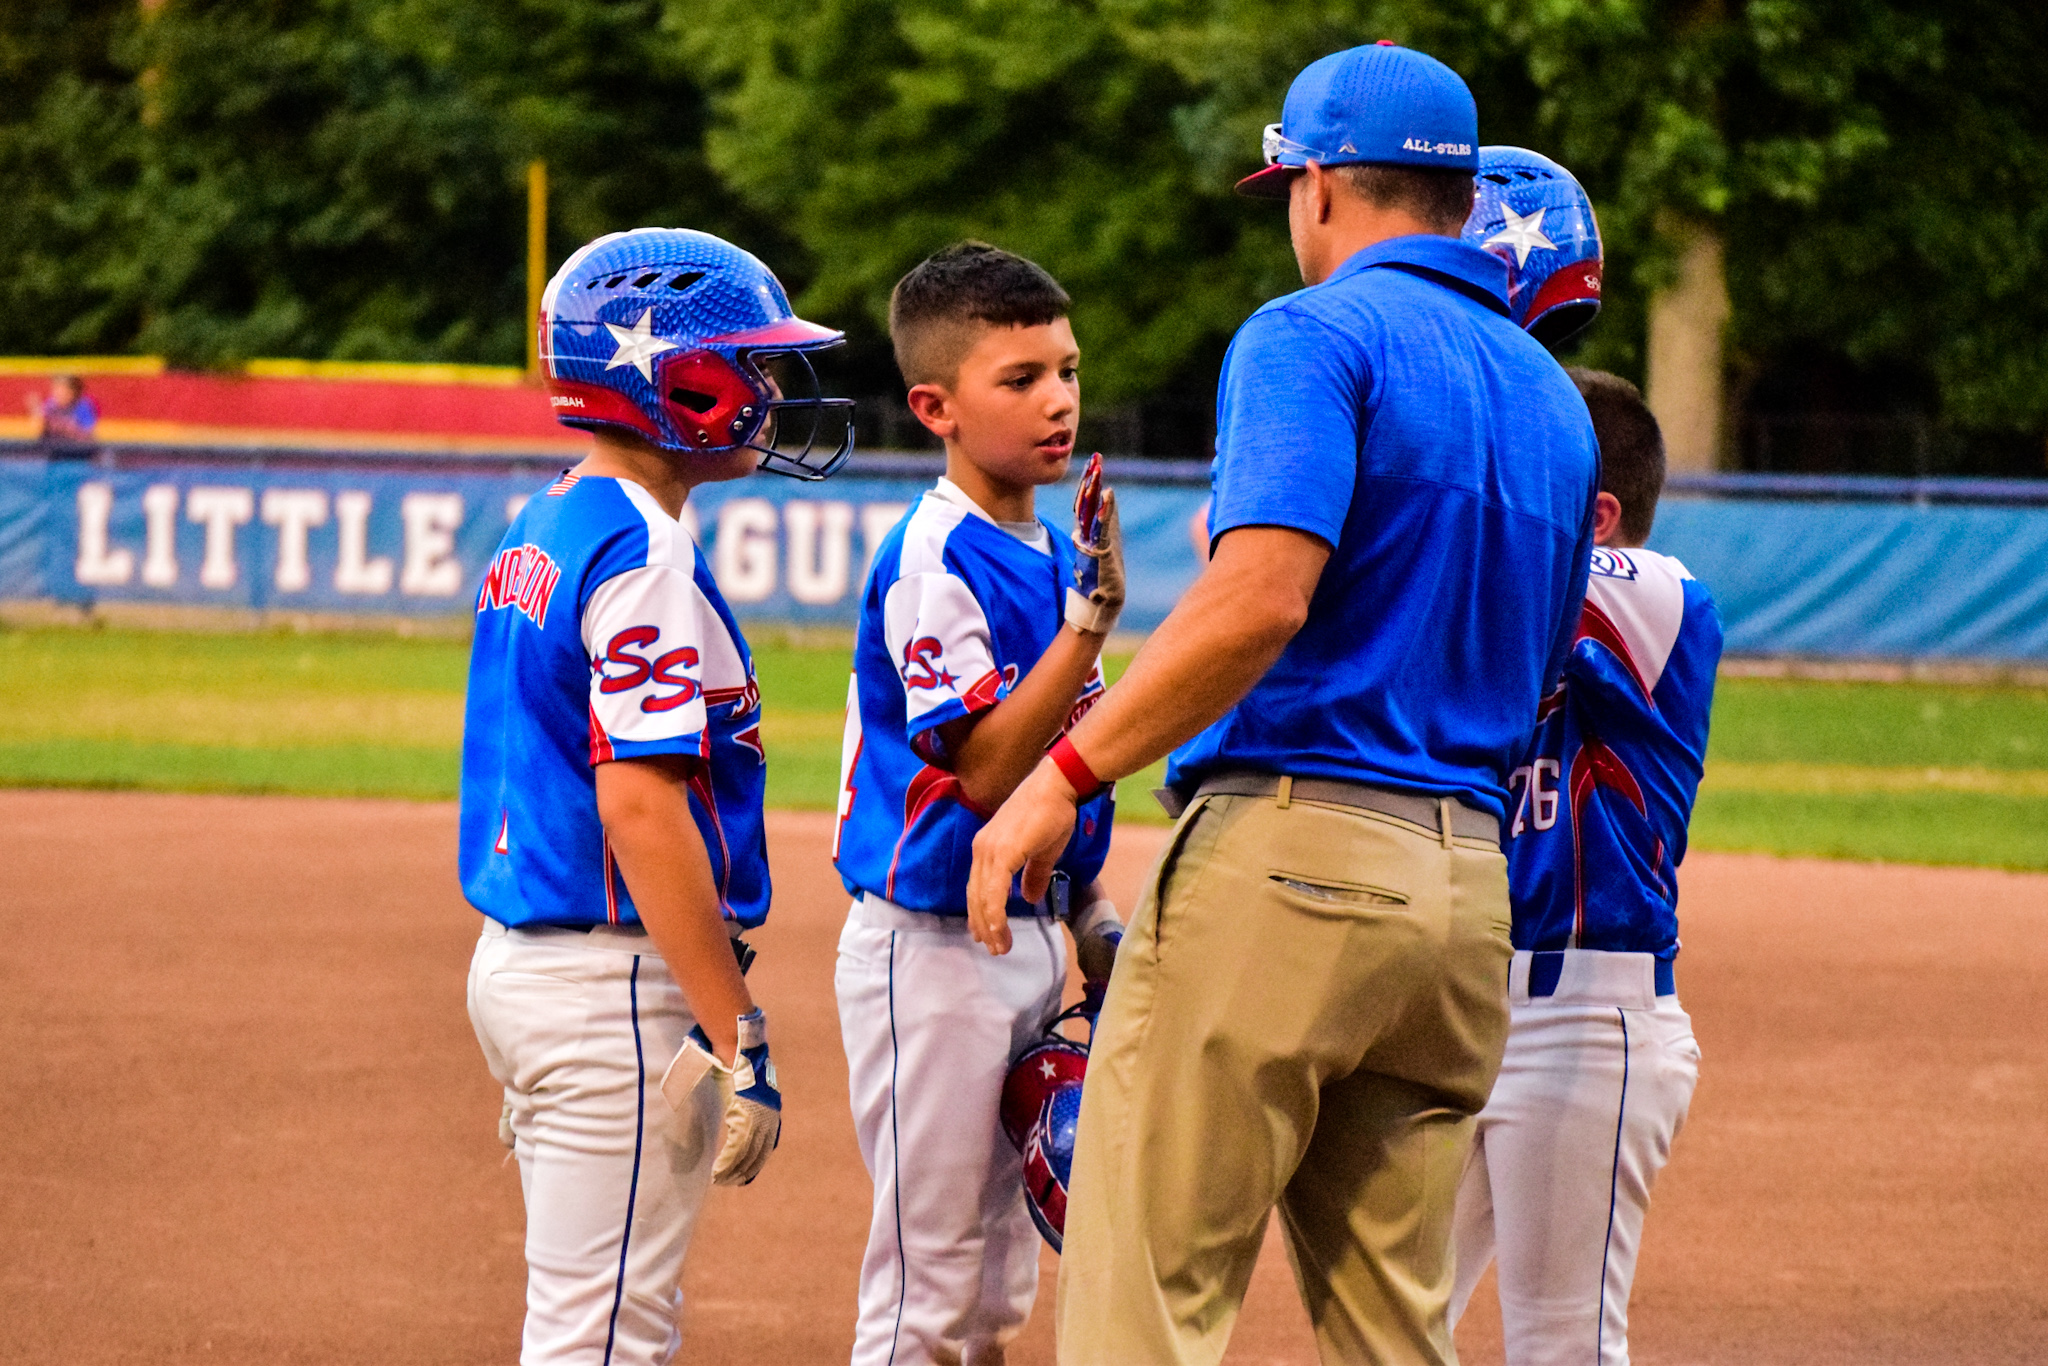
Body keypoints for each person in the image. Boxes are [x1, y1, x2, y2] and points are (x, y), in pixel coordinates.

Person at [966, 42, 1601, 1366]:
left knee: (1147, 1305)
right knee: (1391, 1326)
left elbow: (1261, 598)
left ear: (1319, 184)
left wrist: (1058, 777)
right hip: (1466, 894)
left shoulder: (1311, 335)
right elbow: (1539, 672)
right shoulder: (1552, 395)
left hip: (1297, 860)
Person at [460, 226, 851, 1365]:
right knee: (607, 1340)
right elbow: (639, 807)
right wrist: (740, 1031)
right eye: (751, 362)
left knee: (583, 1324)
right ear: (668, 378)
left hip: (533, 965)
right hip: (608, 987)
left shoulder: (552, 520)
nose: (770, 389)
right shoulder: (644, 555)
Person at [831, 241, 1127, 1366]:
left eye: (1066, 369)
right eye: (1019, 379)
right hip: (931, 953)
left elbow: (1067, 771)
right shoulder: (933, 553)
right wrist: (1088, 626)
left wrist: (1086, 914)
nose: (1057, 400)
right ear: (934, 407)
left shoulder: (1047, 547)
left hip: (1021, 936)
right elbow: (993, 770)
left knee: (995, 1284)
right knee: (929, 1287)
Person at [1447, 380, 1718, 1364]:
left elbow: (1479, 559)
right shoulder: (1493, 609)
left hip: (1583, 1020)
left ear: (1595, 512)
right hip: (1457, 1004)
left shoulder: (1658, 594)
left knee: (1560, 1340)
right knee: (1385, 1319)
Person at [27, 375, 98, 448]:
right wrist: (37, 411)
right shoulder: (51, 405)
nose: (57, 394)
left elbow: (88, 434)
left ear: (73, 392)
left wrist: (65, 428)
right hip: (55, 451)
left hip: (78, 451)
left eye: (61, 390)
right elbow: (37, 432)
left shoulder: (83, 406)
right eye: (55, 390)